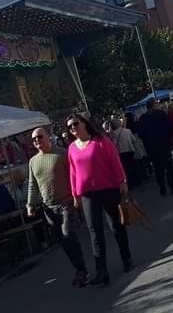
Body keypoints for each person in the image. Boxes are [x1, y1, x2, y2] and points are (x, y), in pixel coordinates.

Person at [65, 113, 132, 287]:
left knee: (115, 225)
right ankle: (101, 270)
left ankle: (126, 258)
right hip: (87, 194)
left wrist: (122, 180)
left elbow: (114, 161)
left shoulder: (101, 141)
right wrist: (75, 194)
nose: (73, 128)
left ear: (85, 124)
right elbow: (73, 172)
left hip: (108, 188)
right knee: (95, 231)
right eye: (70, 127)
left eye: (75, 124)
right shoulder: (72, 148)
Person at [26, 128, 89, 287]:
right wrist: (30, 204)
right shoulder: (33, 161)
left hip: (66, 202)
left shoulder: (61, 153)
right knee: (62, 240)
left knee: (68, 234)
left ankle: (82, 269)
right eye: (34, 139)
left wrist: (77, 195)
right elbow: (33, 185)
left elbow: (74, 175)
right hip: (49, 207)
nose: (37, 141)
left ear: (49, 138)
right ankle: (78, 268)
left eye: (40, 137)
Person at [137, 101, 173, 196]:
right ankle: (172, 186)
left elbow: (141, 134)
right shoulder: (160, 114)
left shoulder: (142, 119)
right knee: (168, 166)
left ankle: (162, 188)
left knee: (158, 168)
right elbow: (169, 127)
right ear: (154, 106)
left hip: (152, 147)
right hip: (164, 144)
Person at [109, 118, 143, 188]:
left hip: (121, 152)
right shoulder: (128, 130)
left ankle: (130, 183)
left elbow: (114, 144)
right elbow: (133, 139)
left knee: (126, 169)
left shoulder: (114, 133)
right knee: (133, 166)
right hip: (130, 150)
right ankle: (137, 181)